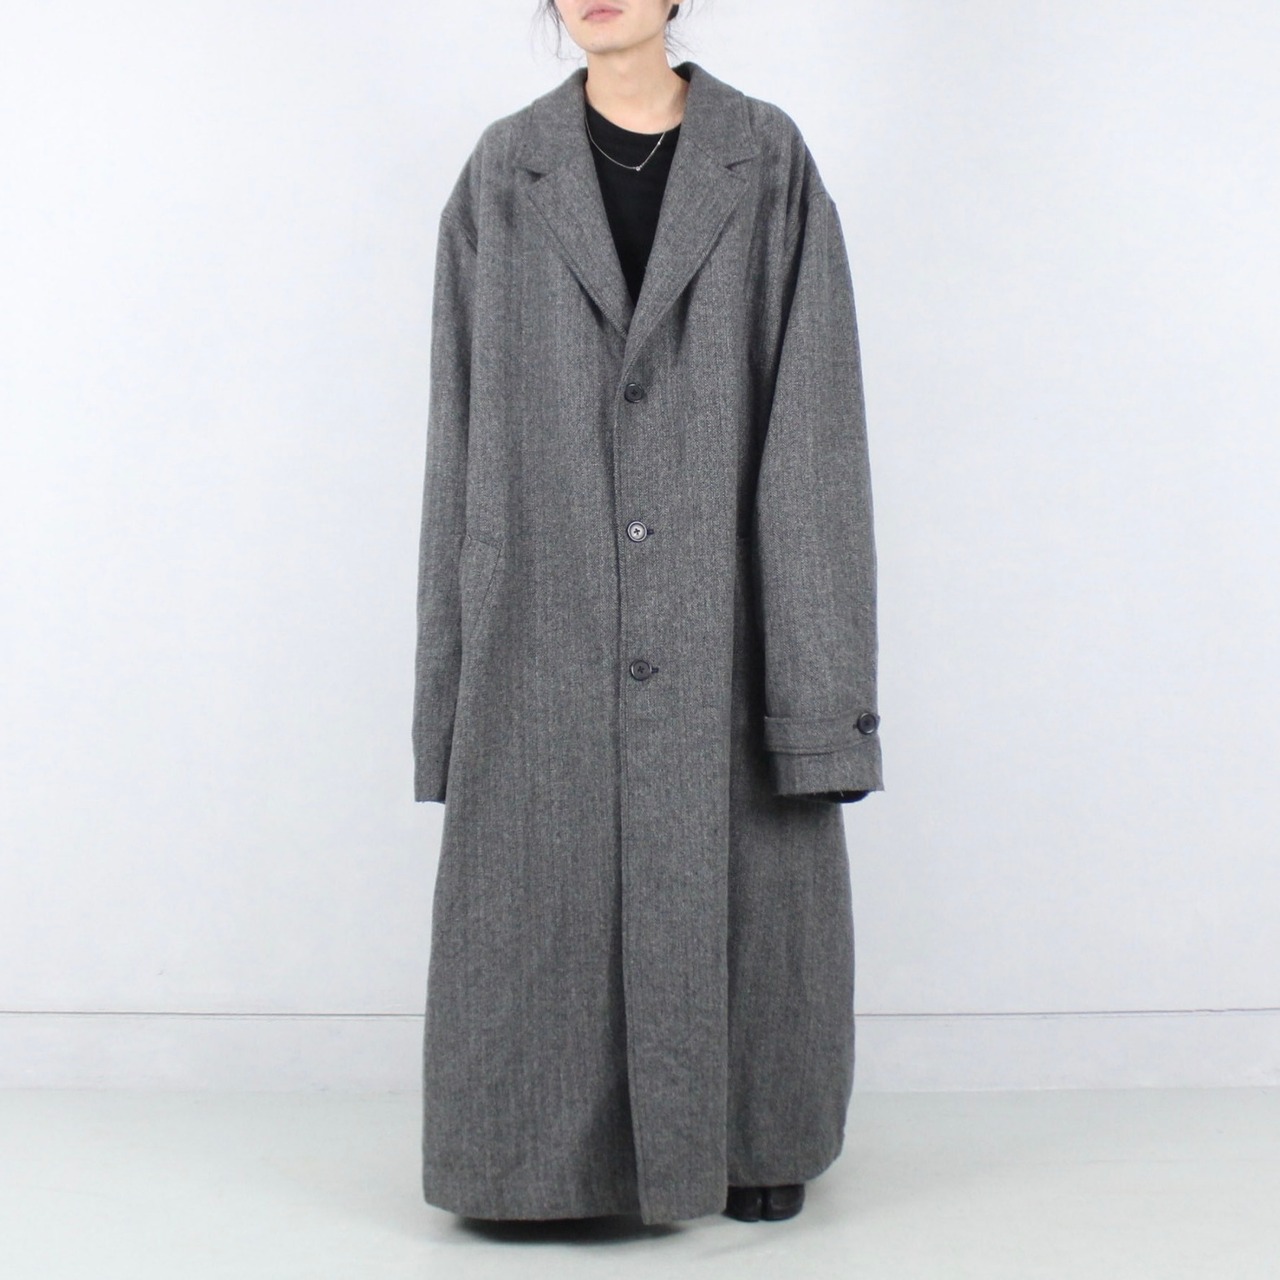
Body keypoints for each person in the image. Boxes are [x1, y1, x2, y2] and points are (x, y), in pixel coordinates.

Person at [413, 0, 884, 1228]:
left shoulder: (763, 158)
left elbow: (815, 433)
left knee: (744, 873)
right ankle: (530, 1156)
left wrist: (819, 699)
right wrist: (450, 695)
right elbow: (456, 440)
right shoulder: (504, 171)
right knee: (545, 877)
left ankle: (750, 1128)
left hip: (727, 613)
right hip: (543, 615)